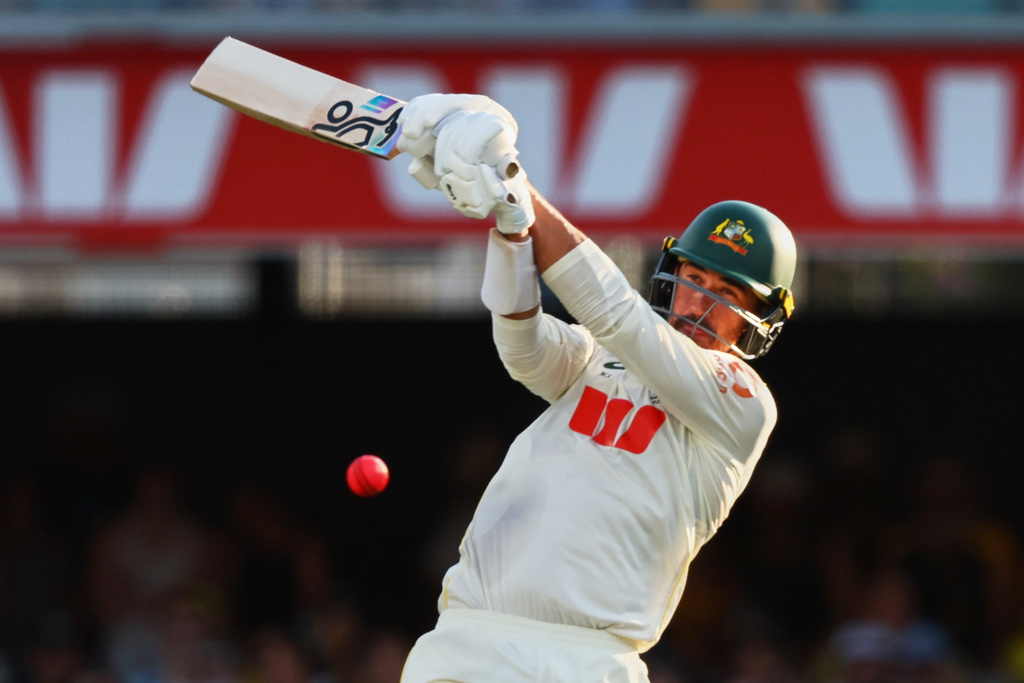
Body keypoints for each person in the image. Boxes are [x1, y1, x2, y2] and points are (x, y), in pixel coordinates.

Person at [393, 93, 798, 682]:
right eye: (692, 277)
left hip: (587, 660)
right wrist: (511, 230)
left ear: (757, 320)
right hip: (470, 637)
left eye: (727, 294)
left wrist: (515, 186)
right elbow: (523, 347)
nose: (698, 302)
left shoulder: (744, 402)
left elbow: (615, 312)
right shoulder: (604, 355)